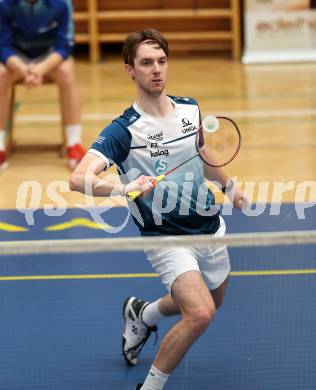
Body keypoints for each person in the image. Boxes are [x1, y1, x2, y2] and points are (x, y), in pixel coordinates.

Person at [70, 29, 244, 390]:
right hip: (165, 237)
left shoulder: (190, 108)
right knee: (199, 313)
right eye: (146, 63)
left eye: (161, 61)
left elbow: (202, 153)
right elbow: (78, 178)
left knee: (213, 299)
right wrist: (123, 187)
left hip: (209, 227)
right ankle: (150, 386)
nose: (156, 70)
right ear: (130, 70)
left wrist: (228, 185)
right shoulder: (123, 131)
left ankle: (143, 313)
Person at [0, 0, 86, 171]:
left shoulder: (62, 3)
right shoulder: (4, 4)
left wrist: (41, 69)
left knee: (67, 71)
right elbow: (3, 46)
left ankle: (74, 143)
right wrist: (25, 70)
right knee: (1, 74)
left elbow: (65, 45)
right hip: (17, 58)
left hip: (49, 57)